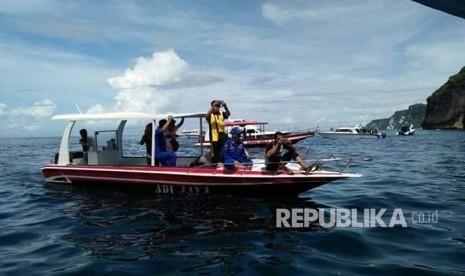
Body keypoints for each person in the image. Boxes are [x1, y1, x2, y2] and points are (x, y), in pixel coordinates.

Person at [206, 99, 231, 165]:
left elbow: (228, 114)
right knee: (215, 153)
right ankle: (214, 165)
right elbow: (206, 116)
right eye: (215, 106)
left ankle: (224, 163)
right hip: (214, 136)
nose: (217, 107)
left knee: (224, 150)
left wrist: (225, 106)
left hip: (222, 135)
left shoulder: (221, 114)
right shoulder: (210, 115)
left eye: (218, 106)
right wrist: (214, 104)